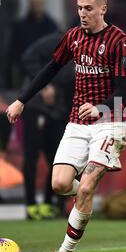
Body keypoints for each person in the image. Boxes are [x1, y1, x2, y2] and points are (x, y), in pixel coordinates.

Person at [6, 0, 126, 252]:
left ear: (103, 8)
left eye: (88, 8)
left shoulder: (118, 41)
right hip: (77, 121)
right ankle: (84, 200)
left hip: (108, 122)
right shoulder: (73, 37)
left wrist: (100, 107)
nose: (82, 13)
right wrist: (21, 100)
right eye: (79, 8)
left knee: (85, 186)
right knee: (60, 184)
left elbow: (124, 91)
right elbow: (50, 68)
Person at [20, 31, 76, 220]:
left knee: (57, 157)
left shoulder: (91, 53)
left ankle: (47, 202)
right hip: (36, 105)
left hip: (58, 110)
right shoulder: (60, 39)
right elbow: (28, 57)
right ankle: (30, 204)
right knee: (32, 155)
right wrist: (44, 86)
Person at [7, 0, 58, 90]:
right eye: (36, 3)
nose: (38, 6)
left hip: (46, 72)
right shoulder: (21, 26)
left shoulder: (51, 26)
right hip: (26, 71)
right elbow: (14, 49)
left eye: (40, 3)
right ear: (31, 5)